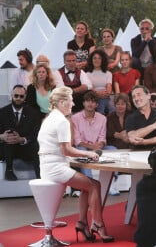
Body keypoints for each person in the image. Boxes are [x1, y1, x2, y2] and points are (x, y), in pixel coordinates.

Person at [38, 87, 114, 243]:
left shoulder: (50, 117)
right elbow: (66, 149)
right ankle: (98, 224)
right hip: (55, 169)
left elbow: (58, 150)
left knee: (88, 186)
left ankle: (82, 222)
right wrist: (88, 154)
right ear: (61, 102)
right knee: (95, 185)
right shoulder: (62, 121)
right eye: (71, 100)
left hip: (47, 166)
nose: (73, 104)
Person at [0, 85, 40, 181]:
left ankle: (40, 174)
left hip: (25, 147)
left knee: (35, 145)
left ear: (25, 97)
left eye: (21, 96)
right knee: (9, 140)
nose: (18, 98)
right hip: (6, 148)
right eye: (16, 96)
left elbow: (35, 134)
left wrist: (22, 139)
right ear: (12, 96)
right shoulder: (2, 112)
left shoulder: (33, 113)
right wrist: (2, 136)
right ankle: (9, 171)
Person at [71, 90, 107, 180]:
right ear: (83, 103)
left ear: (97, 105)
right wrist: (92, 147)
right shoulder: (75, 118)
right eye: (87, 101)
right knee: (82, 150)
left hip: (96, 148)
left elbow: (102, 137)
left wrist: (100, 145)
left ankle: (111, 182)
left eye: (93, 101)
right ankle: (90, 181)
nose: (90, 103)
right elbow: (77, 141)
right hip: (82, 147)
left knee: (113, 149)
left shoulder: (102, 118)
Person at [125, 85, 156, 150]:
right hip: (137, 154)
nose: (136, 99)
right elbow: (133, 138)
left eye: (139, 95)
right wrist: (154, 126)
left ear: (148, 96)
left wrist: (144, 142)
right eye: (134, 97)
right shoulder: (130, 118)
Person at [86, 49, 114, 115]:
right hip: (94, 98)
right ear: (91, 60)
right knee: (100, 108)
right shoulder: (87, 74)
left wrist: (104, 94)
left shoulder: (108, 73)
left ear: (102, 60)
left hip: (106, 97)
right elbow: (91, 88)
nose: (97, 60)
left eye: (99, 58)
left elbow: (109, 88)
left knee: (113, 109)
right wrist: (97, 94)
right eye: (94, 58)